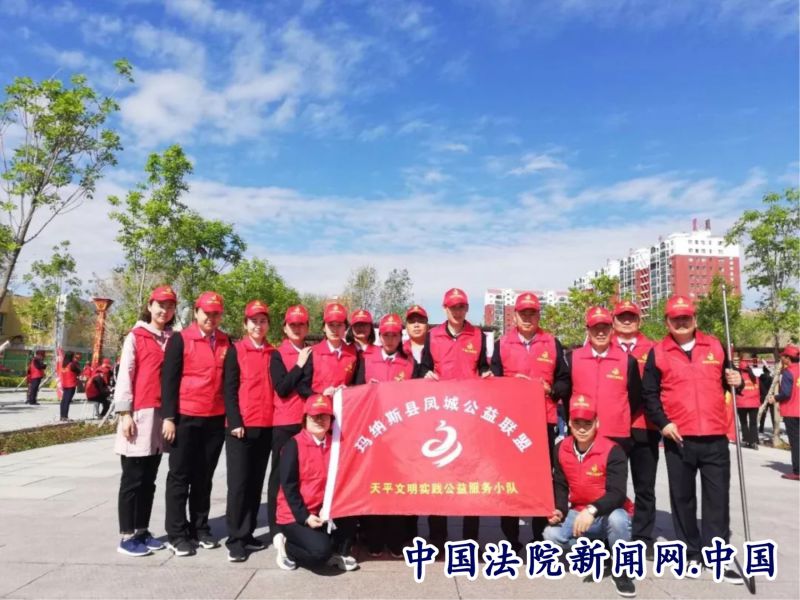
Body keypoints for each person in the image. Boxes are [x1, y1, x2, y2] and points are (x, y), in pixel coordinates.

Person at [642, 295, 744, 583]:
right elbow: (649, 394)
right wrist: (663, 423)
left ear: (695, 319)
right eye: (676, 318)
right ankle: (691, 552)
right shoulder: (658, 352)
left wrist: (737, 380)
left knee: (717, 499)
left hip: (715, 436)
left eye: (686, 317)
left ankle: (717, 555)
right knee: (683, 498)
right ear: (667, 322)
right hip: (679, 438)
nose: (682, 322)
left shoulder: (715, 346)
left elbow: (730, 380)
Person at [491, 291, 571, 549]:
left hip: (543, 421)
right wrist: (510, 385)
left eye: (532, 313)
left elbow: (565, 381)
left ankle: (539, 534)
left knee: (541, 477)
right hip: (509, 424)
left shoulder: (552, 343)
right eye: (523, 313)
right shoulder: (502, 344)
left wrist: (550, 390)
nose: (527, 317)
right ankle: (510, 537)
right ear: (515, 316)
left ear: (538, 315)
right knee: (510, 476)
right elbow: (491, 382)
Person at [419, 287, 491, 548]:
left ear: (467, 308)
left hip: (470, 418)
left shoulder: (478, 335)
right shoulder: (432, 336)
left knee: (470, 478)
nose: (457, 311)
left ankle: (470, 538)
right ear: (445, 309)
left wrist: (486, 374)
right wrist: (425, 374)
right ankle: (438, 538)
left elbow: (484, 367)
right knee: (438, 477)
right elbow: (424, 367)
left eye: (461, 307)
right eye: (453, 307)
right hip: (440, 417)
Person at [543, 397, 636, 598]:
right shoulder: (561, 448)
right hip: (579, 512)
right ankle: (600, 550)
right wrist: (560, 510)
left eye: (588, 423)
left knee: (618, 520)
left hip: (608, 512)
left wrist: (592, 510)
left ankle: (621, 570)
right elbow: (560, 484)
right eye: (577, 423)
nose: (582, 429)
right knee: (550, 535)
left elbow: (618, 493)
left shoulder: (613, 450)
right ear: (569, 423)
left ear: (597, 423)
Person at [161, 291, 230, 557]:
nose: (211, 318)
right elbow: (169, 380)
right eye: (207, 313)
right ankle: (177, 533)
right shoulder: (180, 339)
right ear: (196, 312)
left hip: (214, 418)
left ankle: (200, 527)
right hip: (185, 417)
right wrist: (169, 417)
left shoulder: (225, 341)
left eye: (216, 314)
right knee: (180, 476)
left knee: (204, 477)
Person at [113, 285, 177, 557]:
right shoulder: (136, 336)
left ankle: (142, 530)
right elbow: (126, 374)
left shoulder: (172, 338)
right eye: (160, 305)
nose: (165, 311)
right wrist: (125, 413)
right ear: (150, 306)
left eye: (170, 306)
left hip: (161, 415)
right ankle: (126, 536)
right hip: (139, 414)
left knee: (150, 478)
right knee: (133, 477)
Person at [353, 313, 421, 557]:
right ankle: (373, 538)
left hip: (400, 436)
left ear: (400, 336)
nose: (390, 339)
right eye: (386, 335)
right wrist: (366, 389)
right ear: (379, 336)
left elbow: (419, 396)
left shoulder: (409, 362)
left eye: (394, 335)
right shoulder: (366, 359)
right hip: (373, 434)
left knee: (398, 487)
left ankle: (396, 540)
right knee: (374, 485)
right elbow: (354, 390)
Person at [273, 394, 358, 572]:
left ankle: (339, 552)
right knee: (320, 553)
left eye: (324, 416)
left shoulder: (336, 444)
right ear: (305, 419)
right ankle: (288, 547)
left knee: (351, 509)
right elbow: (289, 486)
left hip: (323, 511)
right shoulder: (293, 445)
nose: (320, 421)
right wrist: (304, 517)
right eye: (314, 417)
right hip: (295, 514)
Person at [223, 300, 276, 562]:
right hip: (241, 428)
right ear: (245, 324)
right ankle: (235, 539)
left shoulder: (272, 352)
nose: (258, 325)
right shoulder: (236, 350)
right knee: (239, 484)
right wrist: (235, 422)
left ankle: (248, 533)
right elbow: (229, 388)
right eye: (253, 321)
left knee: (255, 483)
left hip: (266, 426)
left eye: (262, 321)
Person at [610, 300, 658, 557]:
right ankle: (608, 532)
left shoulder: (653, 348)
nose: (626, 321)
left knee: (644, 485)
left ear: (639, 321)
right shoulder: (602, 346)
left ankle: (642, 536)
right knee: (610, 484)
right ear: (614, 321)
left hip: (644, 425)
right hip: (612, 426)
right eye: (622, 317)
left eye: (631, 317)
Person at [267, 305, 313, 543]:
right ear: (285, 328)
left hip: (308, 422)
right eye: (292, 324)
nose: (297, 328)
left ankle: (299, 521)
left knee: (304, 475)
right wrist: (299, 364)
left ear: (307, 327)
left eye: (301, 324)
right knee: (280, 475)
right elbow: (283, 388)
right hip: (284, 423)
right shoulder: (278, 354)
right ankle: (276, 527)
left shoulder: (312, 352)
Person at [569, 306, 642, 452]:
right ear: (588, 330)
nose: (601, 333)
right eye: (595, 328)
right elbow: (567, 395)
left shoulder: (628, 361)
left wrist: (617, 414)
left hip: (617, 432)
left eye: (605, 328)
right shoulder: (572, 358)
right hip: (582, 432)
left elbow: (635, 397)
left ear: (612, 329)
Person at [300, 302, 358, 398]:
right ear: (324, 327)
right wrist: (322, 394)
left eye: (339, 325)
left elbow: (358, 384)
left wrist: (348, 389)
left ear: (345, 327)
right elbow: (302, 386)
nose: (335, 329)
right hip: (319, 405)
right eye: (331, 325)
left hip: (344, 405)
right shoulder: (313, 352)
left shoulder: (353, 353)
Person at [774, 345, 799, 480]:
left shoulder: (788, 372)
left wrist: (775, 398)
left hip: (792, 411)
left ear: (788, 358)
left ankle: (797, 472)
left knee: (796, 442)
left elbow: (785, 393)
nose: (781, 358)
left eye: (783, 356)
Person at [736, 360, 761, 450]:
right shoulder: (755, 377)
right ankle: (754, 441)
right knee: (753, 423)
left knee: (744, 422)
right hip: (754, 403)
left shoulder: (738, 378)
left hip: (741, 403)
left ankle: (746, 440)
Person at [59, 351, 81, 422]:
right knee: (67, 401)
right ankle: (65, 416)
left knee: (64, 401)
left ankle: (62, 416)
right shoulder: (72, 364)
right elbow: (78, 371)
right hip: (71, 384)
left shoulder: (64, 365)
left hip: (65, 384)